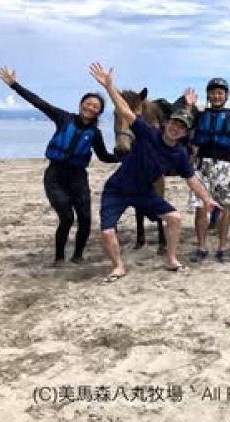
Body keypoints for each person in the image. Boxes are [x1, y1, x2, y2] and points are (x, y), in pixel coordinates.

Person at [89, 62, 220, 282]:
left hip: (143, 191)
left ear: (183, 133)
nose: (175, 128)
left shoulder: (178, 154)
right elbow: (125, 110)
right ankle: (118, 266)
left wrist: (207, 199)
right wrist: (110, 87)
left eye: (181, 127)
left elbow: (192, 179)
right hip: (117, 189)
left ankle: (171, 259)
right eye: (174, 123)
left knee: (175, 218)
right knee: (107, 231)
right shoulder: (147, 132)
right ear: (167, 123)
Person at [0, 66, 118, 266]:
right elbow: (38, 102)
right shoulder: (63, 118)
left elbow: (104, 156)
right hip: (55, 176)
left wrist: (124, 158)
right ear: (81, 104)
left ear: (99, 112)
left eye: (95, 106)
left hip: (78, 177)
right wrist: (14, 85)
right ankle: (59, 258)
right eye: (88, 104)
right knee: (67, 218)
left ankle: (78, 256)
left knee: (86, 219)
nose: (90, 108)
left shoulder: (95, 134)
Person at [184, 78, 230, 264]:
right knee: (201, 208)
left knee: (226, 206)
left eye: (220, 92)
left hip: (224, 164)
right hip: (202, 164)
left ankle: (223, 246)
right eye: (213, 92)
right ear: (208, 95)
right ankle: (201, 247)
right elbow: (183, 126)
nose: (216, 96)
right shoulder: (199, 115)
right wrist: (188, 106)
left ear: (225, 95)